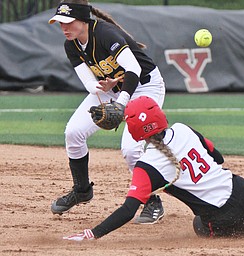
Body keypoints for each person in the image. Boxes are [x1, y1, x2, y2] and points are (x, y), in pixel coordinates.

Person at [62, 96, 244, 241]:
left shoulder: (147, 166)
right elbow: (217, 158)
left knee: (199, 226)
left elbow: (128, 210)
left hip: (226, 218)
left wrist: (93, 233)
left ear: (134, 131)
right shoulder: (183, 128)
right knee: (224, 205)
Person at [48, 0, 165, 224]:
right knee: (73, 132)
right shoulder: (70, 44)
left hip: (144, 87)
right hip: (112, 89)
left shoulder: (105, 34)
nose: (63, 27)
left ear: (82, 19)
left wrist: (121, 103)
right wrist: (103, 87)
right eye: (59, 23)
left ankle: (152, 201)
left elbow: (135, 69)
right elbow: (89, 83)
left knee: (131, 149)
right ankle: (82, 190)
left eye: (68, 22)